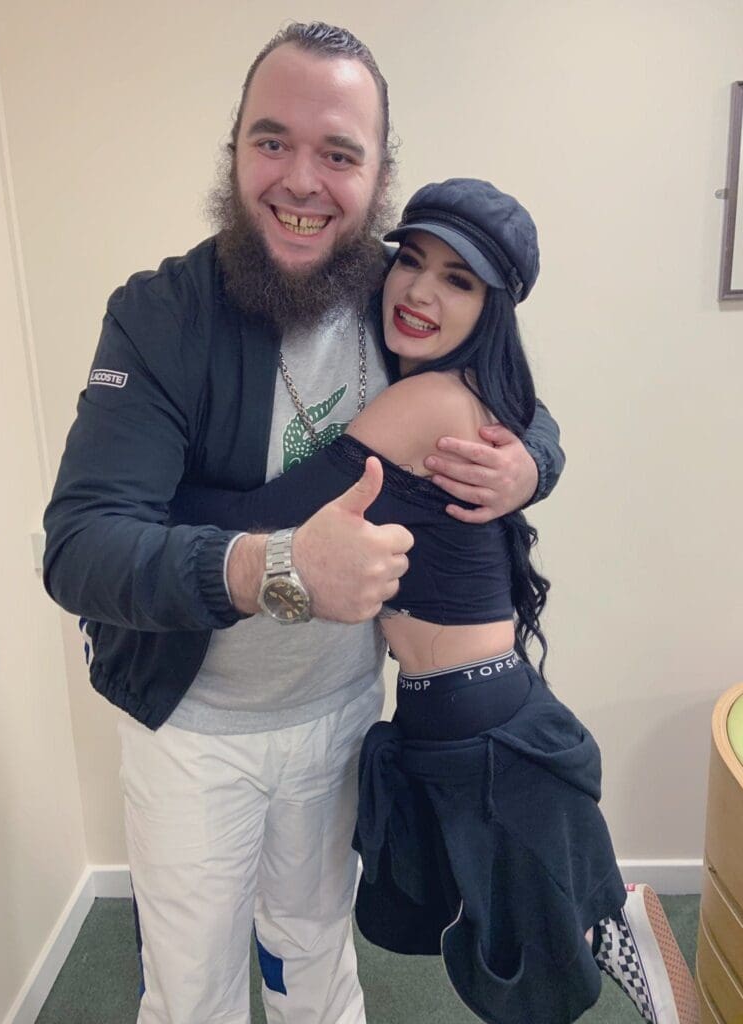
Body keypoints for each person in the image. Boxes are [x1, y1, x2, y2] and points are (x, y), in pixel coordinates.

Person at [42, 23, 566, 1024]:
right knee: (191, 990)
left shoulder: (396, 294)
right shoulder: (160, 317)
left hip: (340, 712)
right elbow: (83, 546)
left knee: (313, 957)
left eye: (338, 153)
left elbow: (503, 385)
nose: (300, 181)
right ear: (234, 150)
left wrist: (532, 460)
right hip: (192, 730)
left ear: (378, 178)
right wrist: (275, 565)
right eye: (272, 141)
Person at [171, 178, 700, 1024]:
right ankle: (606, 908)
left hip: (480, 730)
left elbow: (265, 517)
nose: (419, 290)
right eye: (411, 260)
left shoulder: (424, 401)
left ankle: (611, 916)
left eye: (458, 280)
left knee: (525, 967)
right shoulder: (457, 387)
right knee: (506, 929)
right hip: (463, 713)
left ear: (491, 309)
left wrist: (137, 502)